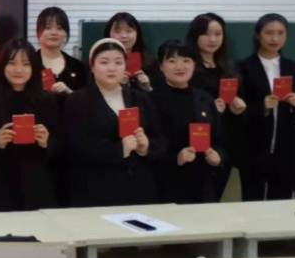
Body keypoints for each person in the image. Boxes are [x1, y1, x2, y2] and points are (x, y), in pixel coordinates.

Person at [64, 38, 166, 207]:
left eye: (118, 62)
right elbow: (75, 145)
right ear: (92, 66)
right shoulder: (78, 100)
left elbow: (160, 139)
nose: (112, 68)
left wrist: (146, 147)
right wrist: (119, 149)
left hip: (139, 188)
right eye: (104, 62)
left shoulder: (140, 98)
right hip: (96, 189)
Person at [237, 14, 295, 201]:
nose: (275, 38)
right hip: (254, 148)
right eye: (269, 33)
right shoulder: (242, 67)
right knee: (252, 200)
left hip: (286, 149)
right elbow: (237, 109)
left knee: (281, 203)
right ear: (258, 35)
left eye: (280, 33)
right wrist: (260, 107)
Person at [0, 39, 62, 211]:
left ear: (34, 67)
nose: (18, 70)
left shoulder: (46, 100)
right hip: (0, 187)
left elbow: (62, 147)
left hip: (38, 185)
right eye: (12, 63)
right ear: (3, 65)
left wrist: (47, 142)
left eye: (25, 64)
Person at [150, 40, 223, 205]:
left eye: (186, 60)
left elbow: (219, 139)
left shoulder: (204, 99)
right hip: (165, 184)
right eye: (172, 61)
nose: (180, 67)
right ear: (161, 66)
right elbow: (149, 145)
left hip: (203, 184)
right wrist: (175, 158)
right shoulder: (151, 100)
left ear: (194, 64)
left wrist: (218, 156)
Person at [186, 13, 245, 200]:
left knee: (216, 197)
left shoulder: (229, 67)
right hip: (197, 142)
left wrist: (239, 106)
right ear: (195, 35)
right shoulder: (188, 67)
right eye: (206, 33)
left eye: (218, 34)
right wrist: (210, 110)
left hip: (225, 142)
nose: (212, 39)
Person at [36, 7, 87, 108]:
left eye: (59, 28)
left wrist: (69, 92)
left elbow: (87, 103)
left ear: (66, 33)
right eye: (48, 28)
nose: (54, 32)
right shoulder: (30, 63)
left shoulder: (77, 66)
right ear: (38, 32)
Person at [105, 12, 154, 92]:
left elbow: (158, 97)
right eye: (117, 31)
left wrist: (148, 88)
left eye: (129, 31)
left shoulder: (152, 64)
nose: (124, 36)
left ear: (137, 34)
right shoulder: (100, 63)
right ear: (109, 34)